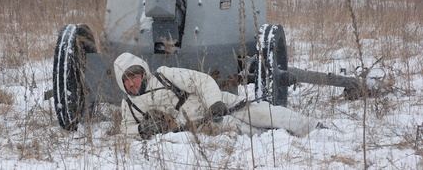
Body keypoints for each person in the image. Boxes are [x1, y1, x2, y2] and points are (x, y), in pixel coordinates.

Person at [114, 52, 322, 139]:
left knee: (265, 114)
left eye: (135, 76)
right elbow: (125, 129)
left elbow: (202, 81)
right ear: (122, 83)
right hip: (200, 124)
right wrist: (142, 128)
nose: (132, 83)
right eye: (127, 80)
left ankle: (315, 128)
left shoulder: (164, 75)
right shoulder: (129, 105)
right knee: (252, 133)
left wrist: (214, 103)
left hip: (216, 103)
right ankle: (285, 139)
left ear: (143, 73)